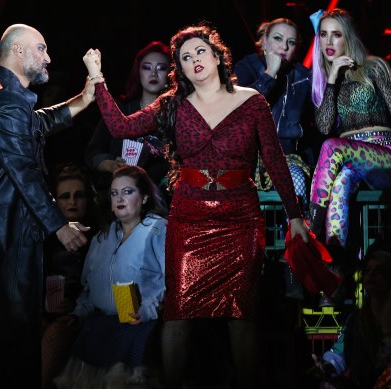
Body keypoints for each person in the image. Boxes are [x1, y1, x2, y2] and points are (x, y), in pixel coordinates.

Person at [83, 23, 309, 389]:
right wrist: (97, 77)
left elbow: (274, 160)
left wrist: (295, 216)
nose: (194, 60)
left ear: (218, 56)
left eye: (200, 52)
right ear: (182, 70)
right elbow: (119, 126)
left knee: (241, 315)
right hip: (190, 216)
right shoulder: (171, 104)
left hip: (240, 218)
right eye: (185, 58)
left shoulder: (252, 101)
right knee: (179, 314)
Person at [0, 23, 94, 389]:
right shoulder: (5, 101)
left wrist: (84, 99)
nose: (48, 57)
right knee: (6, 336)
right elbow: (23, 169)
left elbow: (33, 124)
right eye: (41, 49)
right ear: (19, 52)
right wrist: (58, 225)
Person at [307, 8, 391, 306]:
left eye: (337, 34)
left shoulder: (373, 67)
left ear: (348, 38)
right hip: (347, 162)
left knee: (332, 147)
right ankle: (336, 274)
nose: (329, 41)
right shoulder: (324, 79)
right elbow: (323, 126)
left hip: (384, 156)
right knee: (340, 184)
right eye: (323, 34)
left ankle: (309, 232)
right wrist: (331, 79)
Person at [55, 165, 167, 388]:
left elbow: (172, 281)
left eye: (128, 192)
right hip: (101, 324)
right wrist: (78, 313)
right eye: (114, 193)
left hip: (142, 324)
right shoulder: (102, 237)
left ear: (144, 197)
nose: (119, 198)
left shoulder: (158, 229)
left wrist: (147, 310)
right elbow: (88, 287)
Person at [234, 18, 316, 303]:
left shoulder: (304, 76)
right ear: (264, 41)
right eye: (278, 39)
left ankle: (291, 269)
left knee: (297, 186)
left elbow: (314, 126)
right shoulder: (246, 67)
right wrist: (269, 74)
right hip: (248, 156)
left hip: (286, 153)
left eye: (291, 42)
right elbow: (240, 111)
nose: (284, 47)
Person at [308, 249, 391, 388]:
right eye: (368, 270)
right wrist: (326, 365)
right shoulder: (355, 320)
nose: (371, 274)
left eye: (378, 270)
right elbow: (339, 353)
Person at [84, 41, 171, 198]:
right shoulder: (119, 109)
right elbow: (92, 152)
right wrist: (110, 165)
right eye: (147, 67)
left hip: (163, 197)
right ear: (138, 72)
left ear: (171, 73)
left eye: (161, 68)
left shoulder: (177, 112)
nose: (153, 73)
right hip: (120, 197)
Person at [41, 163, 97, 389]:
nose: (72, 202)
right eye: (65, 196)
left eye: (78, 195)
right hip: (44, 310)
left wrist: (76, 311)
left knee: (57, 331)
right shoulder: (43, 240)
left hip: (83, 314)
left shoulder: (99, 238)